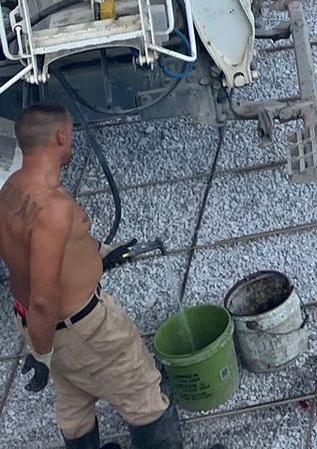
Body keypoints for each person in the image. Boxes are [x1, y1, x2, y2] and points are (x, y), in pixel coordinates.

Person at [0, 104, 184, 449]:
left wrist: (100, 252)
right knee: (143, 394)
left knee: (74, 401)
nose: (71, 142)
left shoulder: (11, 188)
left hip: (37, 325)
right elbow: (44, 299)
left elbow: (38, 253)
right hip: (83, 329)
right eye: (71, 135)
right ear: (60, 136)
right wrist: (42, 354)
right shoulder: (52, 208)